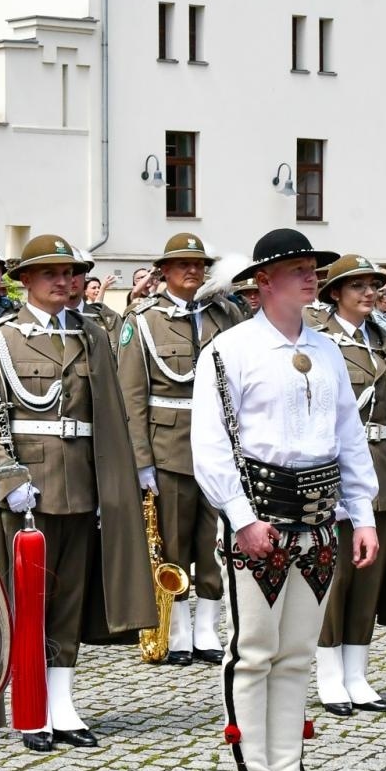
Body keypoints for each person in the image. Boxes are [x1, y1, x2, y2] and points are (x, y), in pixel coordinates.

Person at [192, 227, 378, 771]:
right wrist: (240, 518)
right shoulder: (228, 352)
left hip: (320, 519)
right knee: (253, 651)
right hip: (260, 517)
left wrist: (363, 513)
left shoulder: (326, 351)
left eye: (313, 268)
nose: (311, 276)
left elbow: (349, 435)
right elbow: (212, 447)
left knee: (297, 652)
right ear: (263, 282)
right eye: (297, 268)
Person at [0, 234, 155, 751]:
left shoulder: (91, 334)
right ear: (25, 280)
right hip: (27, 484)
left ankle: (63, 700)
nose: (64, 282)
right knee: (26, 598)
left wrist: (113, 485)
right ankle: (27, 703)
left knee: (69, 598)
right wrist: (7, 478)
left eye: (70, 273)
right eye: (51, 273)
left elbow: (109, 412)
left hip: (81, 480)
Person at [313, 255, 386, 715]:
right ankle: (328, 674)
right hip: (337, 470)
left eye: (373, 285)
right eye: (357, 285)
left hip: (385, 466)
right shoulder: (320, 342)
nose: (368, 292)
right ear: (335, 294)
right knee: (335, 577)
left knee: (369, 578)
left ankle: (357, 672)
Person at [117, 233, 240, 665]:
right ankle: (178, 628)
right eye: (182, 264)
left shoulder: (223, 315)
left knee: (214, 543)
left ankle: (208, 628)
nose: (193, 271)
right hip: (168, 445)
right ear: (163, 271)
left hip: (218, 444)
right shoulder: (143, 319)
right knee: (173, 543)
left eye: (199, 264)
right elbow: (132, 395)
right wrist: (141, 460)